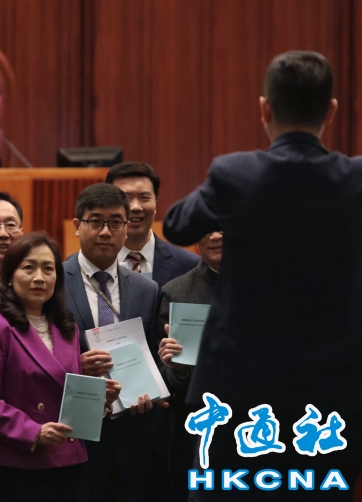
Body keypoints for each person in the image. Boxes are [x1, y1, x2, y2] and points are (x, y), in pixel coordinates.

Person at [163, 50, 362, 500]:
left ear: (264, 109)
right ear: (330, 110)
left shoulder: (235, 174)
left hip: (238, 392)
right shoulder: (355, 182)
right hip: (329, 394)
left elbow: (177, 225)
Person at [0, 231, 120, 502]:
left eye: (48, 269)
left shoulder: (67, 328)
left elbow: (67, 395)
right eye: (29, 267)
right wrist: (33, 432)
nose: (39, 277)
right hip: (13, 464)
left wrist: (100, 400)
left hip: (69, 462)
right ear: (10, 276)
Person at [62, 183, 162, 501]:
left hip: (132, 434)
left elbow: (152, 356)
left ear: (126, 227)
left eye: (116, 222)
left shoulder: (147, 290)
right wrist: (76, 365)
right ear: (77, 225)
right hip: (72, 434)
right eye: (95, 221)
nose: (106, 231)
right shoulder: (53, 283)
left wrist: (155, 388)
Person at [156, 231, 222, 501]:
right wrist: (178, 369)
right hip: (199, 430)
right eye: (207, 229)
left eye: (223, 226)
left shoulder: (269, 286)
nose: (216, 235)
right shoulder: (177, 292)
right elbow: (164, 378)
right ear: (195, 238)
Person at [106, 162, 198, 286]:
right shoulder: (88, 263)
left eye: (144, 198)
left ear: (156, 201)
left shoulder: (189, 265)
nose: (136, 207)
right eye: (125, 198)